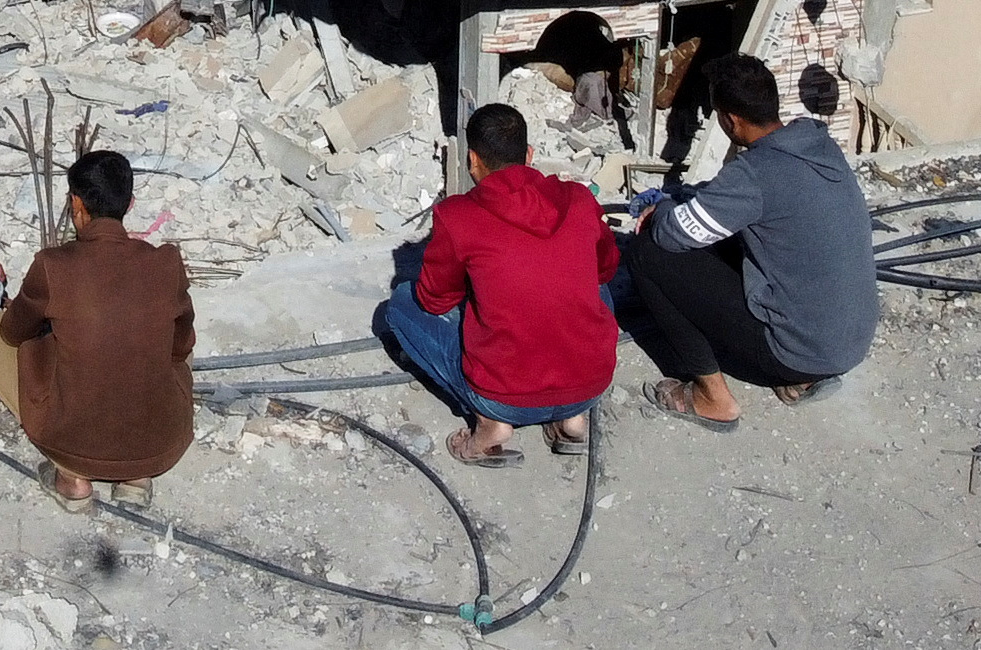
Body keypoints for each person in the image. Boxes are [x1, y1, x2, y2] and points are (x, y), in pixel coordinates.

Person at [624, 52, 879, 429]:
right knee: (736, 237)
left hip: (797, 350)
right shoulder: (817, 144)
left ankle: (713, 398)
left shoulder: (753, 174)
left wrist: (660, 209)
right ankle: (801, 378)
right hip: (849, 340)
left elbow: (672, 235)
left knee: (649, 252)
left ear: (730, 119)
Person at [375, 103, 619, 466]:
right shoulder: (580, 200)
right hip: (590, 385)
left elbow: (434, 300)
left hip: (503, 398)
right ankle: (571, 419)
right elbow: (607, 267)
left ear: (472, 160)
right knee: (593, 285)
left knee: (399, 304)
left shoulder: (458, 216)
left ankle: (491, 425)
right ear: (529, 155)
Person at [0, 150, 194, 512]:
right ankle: (135, 478)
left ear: (76, 204)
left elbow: (14, 333)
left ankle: (72, 477)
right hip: (159, 446)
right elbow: (182, 347)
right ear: (130, 204)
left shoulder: (53, 265)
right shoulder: (166, 262)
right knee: (172, 342)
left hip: (74, 444)